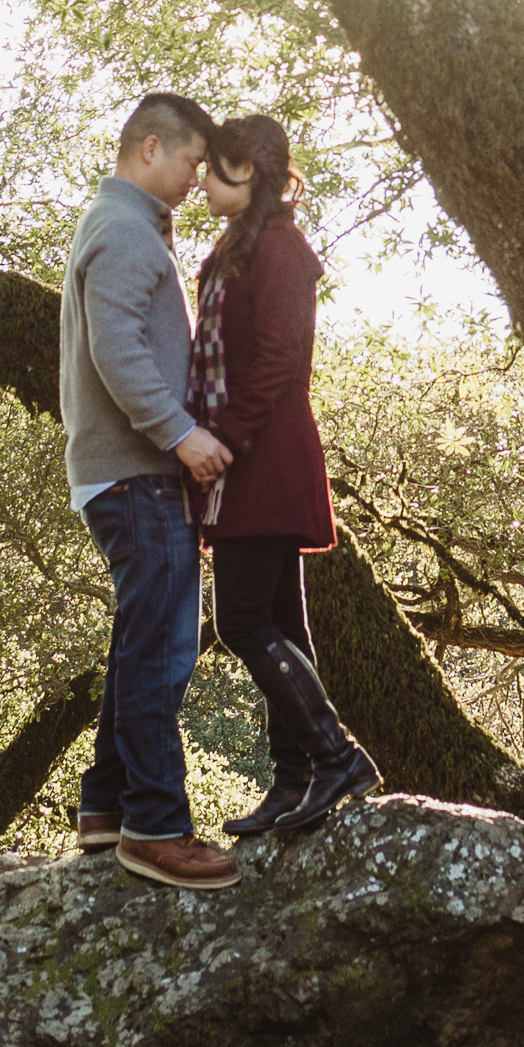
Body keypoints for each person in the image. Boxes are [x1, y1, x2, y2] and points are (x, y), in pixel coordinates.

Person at [61, 91, 238, 892]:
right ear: (150, 149)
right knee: (165, 646)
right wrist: (181, 433)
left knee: (141, 637)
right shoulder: (126, 231)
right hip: (135, 473)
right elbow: (117, 351)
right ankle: (156, 826)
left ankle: (105, 807)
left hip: (124, 471)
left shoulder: (121, 224)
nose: (194, 180)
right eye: (191, 163)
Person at [189, 112, 381, 840]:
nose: (203, 178)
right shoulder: (244, 244)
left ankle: (337, 755)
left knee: (239, 619)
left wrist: (222, 442)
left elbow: (278, 360)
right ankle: (294, 778)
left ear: (248, 170)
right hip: (252, 457)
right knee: (285, 627)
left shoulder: (280, 250)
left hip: (263, 457)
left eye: (215, 165)